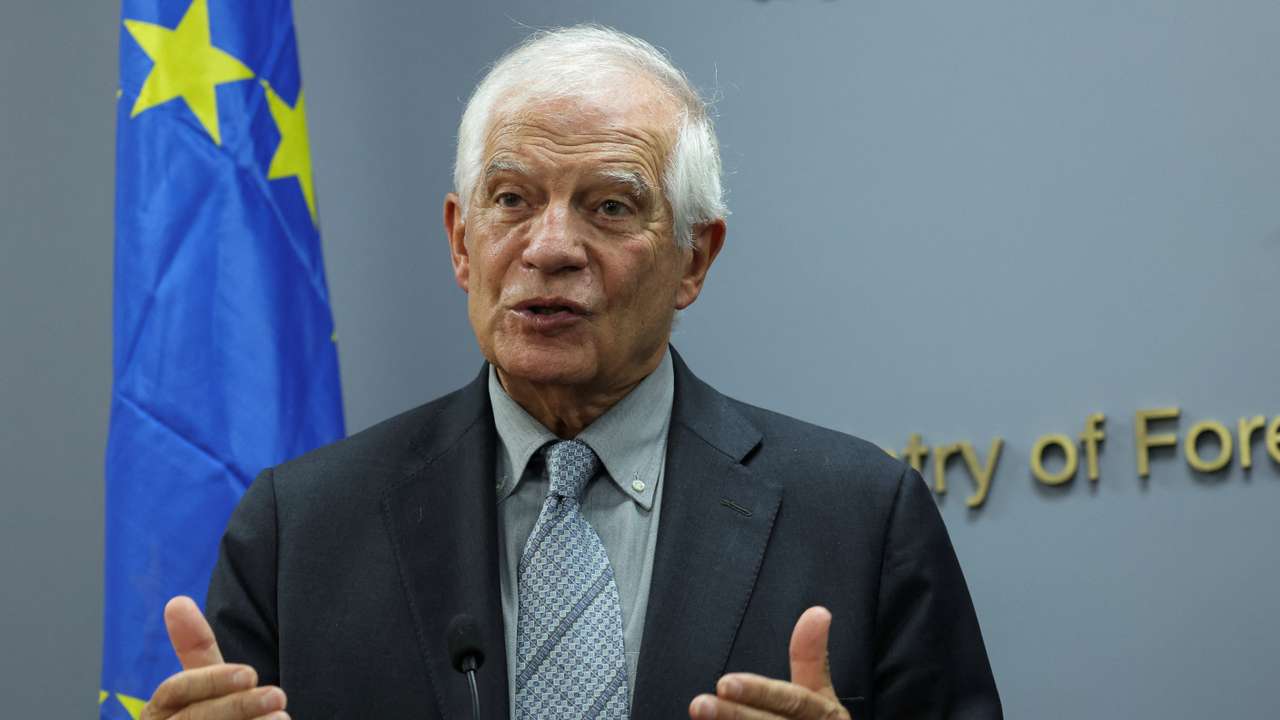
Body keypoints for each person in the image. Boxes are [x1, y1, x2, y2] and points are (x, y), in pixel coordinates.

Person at [141, 24, 1001, 720]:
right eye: (512, 199)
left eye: (611, 206)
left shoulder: (861, 521)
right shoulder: (300, 532)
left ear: (694, 258)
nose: (550, 248)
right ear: (461, 242)